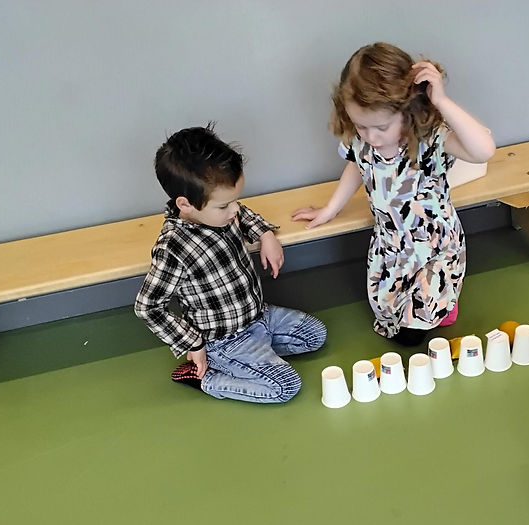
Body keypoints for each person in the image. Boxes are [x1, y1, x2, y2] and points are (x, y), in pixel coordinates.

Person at [292, 42, 495, 347]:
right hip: (390, 246)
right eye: (362, 126)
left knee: (412, 335)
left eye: (381, 127)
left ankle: (443, 303)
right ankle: (431, 307)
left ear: (407, 110)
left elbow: (484, 151)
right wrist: (331, 208)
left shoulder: (429, 139)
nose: (371, 137)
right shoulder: (362, 143)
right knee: (390, 316)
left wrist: (440, 101)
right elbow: (357, 168)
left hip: (433, 247)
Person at [134, 124, 326, 403]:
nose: (235, 210)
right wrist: (193, 343)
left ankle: (257, 358)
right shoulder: (174, 248)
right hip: (224, 339)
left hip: (259, 316)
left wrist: (265, 233)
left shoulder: (217, 211)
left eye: (235, 201)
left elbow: (242, 213)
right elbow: (147, 306)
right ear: (185, 205)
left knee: (314, 335)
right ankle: (207, 377)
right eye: (225, 206)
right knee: (285, 387)